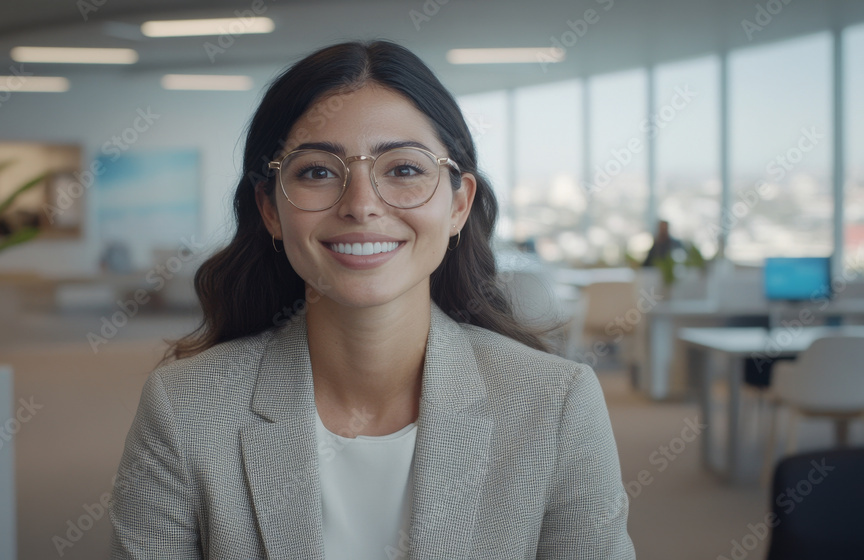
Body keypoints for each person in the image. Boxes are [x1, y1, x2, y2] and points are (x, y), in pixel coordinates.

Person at [109, 40, 634, 559]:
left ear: (457, 204)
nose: (361, 205)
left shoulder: (556, 405)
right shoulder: (184, 409)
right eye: (317, 171)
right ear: (270, 208)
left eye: (404, 169)